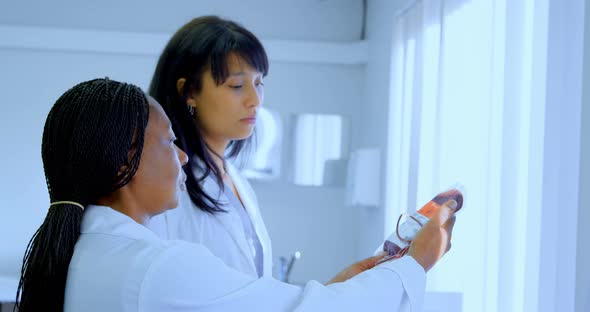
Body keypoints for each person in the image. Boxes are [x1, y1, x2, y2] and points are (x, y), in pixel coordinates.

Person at [15, 78, 456, 311]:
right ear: (122, 161)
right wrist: (415, 264)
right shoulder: (156, 267)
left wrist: (353, 280)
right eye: (170, 143)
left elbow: (262, 301)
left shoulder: (92, 252)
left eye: (259, 83)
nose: (183, 158)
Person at [147, 15, 273, 278]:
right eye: (237, 85)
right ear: (189, 92)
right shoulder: (162, 187)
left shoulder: (239, 183)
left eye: (259, 83)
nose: (254, 100)